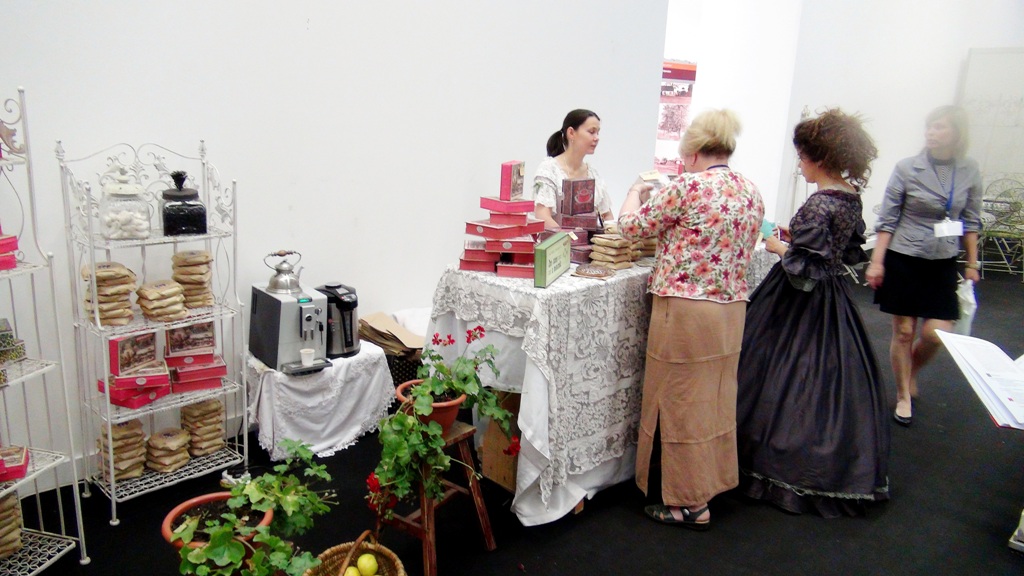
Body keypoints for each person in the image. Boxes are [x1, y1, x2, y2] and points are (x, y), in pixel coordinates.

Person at [735, 109, 890, 518]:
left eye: (802, 156)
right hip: (832, 301)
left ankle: (775, 462)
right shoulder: (850, 196)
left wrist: (779, 247)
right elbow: (843, 252)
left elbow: (806, 268)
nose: (799, 164)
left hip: (797, 303)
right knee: (828, 379)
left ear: (819, 157)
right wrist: (799, 243)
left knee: (780, 374)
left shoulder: (820, 203)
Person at [618, 109, 764, 530]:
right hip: (730, 310)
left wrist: (634, 191)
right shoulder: (750, 191)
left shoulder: (686, 187)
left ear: (695, 153)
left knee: (678, 402)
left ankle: (687, 503)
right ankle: (709, 484)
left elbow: (630, 228)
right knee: (713, 402)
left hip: (686, 311)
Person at [866, 105, 983, 427]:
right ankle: (903, 394)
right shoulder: (907, 168)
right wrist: (877, 262)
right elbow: (887, 219)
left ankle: (911, 370)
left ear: (957, 132)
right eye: (930, 126)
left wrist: (972, 262)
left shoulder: (969, 169)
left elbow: (971, 220)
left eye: (940, 127)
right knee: (904, 332)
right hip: (904, 257)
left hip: (942, 260)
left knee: (936, 334)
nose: (931, 132)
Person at [533, 109, 615, 230]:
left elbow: (607, 216)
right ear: (571, 133)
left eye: (598, 133)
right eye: (591, 132)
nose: (596, 138)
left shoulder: (593, 174)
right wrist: (568, 239)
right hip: (558, 241)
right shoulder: (549, 169)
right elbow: (542, 216)